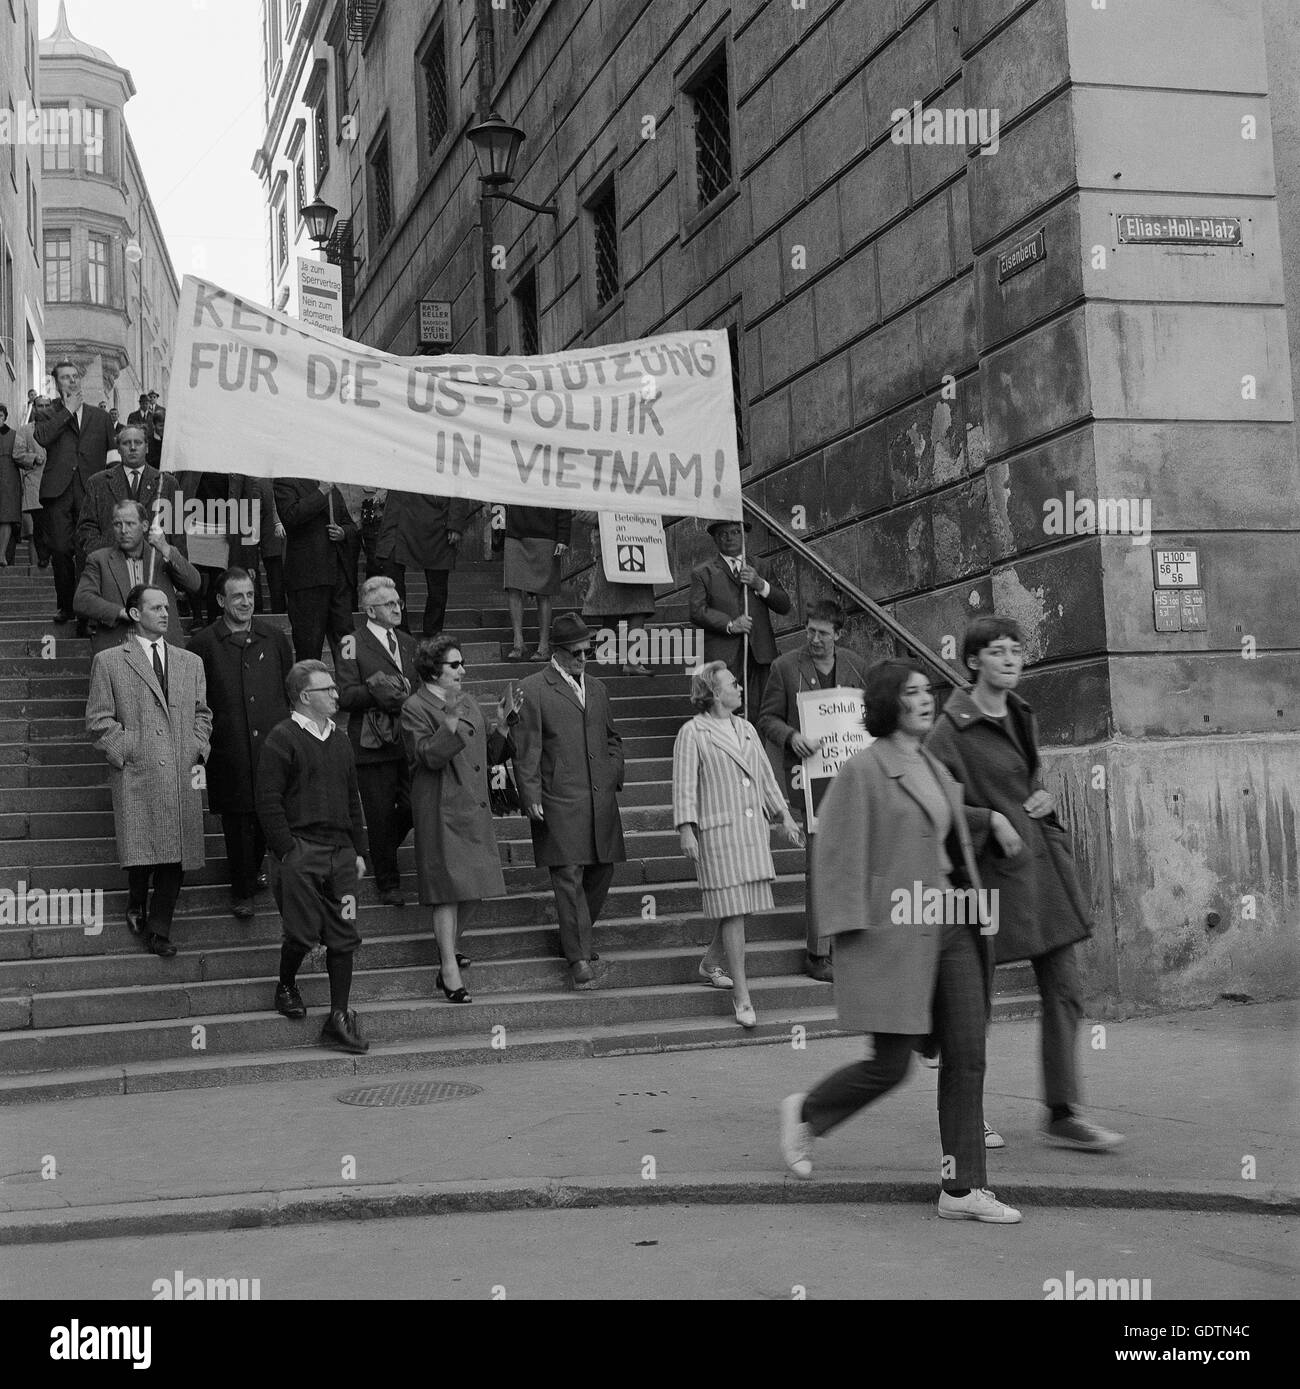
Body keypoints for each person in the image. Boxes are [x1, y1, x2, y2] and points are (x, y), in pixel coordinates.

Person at [778, 658, 1024, 1223]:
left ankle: (961, 1189)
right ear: (889, 702)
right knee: (890, 1067)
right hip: (897, 933)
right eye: (911, 693)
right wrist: (848, 939)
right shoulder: (863, 771)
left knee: (967, 1052)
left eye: (926, 691)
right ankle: (807, 1113)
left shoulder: (931, 766)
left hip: (951, 921)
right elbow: (836, 855)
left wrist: (991, 823)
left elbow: (945, 820)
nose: (924, 700)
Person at [924, 616, 1123, 1153]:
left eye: (1016, 650)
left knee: (1065, 988)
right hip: (984, 880)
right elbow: (931, 804)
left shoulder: (1021, 713)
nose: (1011, 660)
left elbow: (1024, 780)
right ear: (972, 662)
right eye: (997, 651)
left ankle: (1062, 1111)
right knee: (973, 1007)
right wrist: (989, 820)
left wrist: (1042, 799)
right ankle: (969, 1112)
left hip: (1036, 873)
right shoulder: (949, 729)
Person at [85, 583, 212, 958]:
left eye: (167, 607)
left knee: (178, 853)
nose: (164, 613)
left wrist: (197, 746)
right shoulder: (109, 661)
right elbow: (98, 720)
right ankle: (136, 899)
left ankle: (159, 929)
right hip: (138, 770)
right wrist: (128, 749)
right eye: (155, 607)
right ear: (136, 614)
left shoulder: (190, 662)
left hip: (180, 769)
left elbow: (203, 713)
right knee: (143, 847)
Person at [673, 661, 803, 1028]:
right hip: (717, 833)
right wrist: (686, 828)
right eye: (733, 683)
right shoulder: (692, 732)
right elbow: (683, 785)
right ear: (715, 692)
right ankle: (742, 996)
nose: (740, 687)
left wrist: (784, 816)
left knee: (744, 908)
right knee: (732, 909)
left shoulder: (745, 728)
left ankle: (710, 962)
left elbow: (765, 776)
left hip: (750, 832)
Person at [256, 660, 370, 1054]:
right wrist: (288, 850)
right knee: (303, 931)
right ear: (306, 696)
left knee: (344, 934)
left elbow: (353, 796)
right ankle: (286, 983)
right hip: (300, 850)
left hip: (340, 852)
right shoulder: (282, 738)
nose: (337, 695)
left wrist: (359, 850)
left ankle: (339, 1016)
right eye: (329, 690)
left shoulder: (340, 739)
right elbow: (268, 801)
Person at [401, 634, 522, 1002]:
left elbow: (488, 754)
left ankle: (447, 950)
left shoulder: (467, 699)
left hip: (473, 804)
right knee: (447, 895)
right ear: (433, 670)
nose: (462, 670)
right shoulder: (414, 707)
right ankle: (449, 968)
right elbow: (427, 757)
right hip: (439, 807)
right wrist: (449, 724)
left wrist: (502, 725)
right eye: (455, 665)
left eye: (462, 663)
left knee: (477, 888)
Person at [758, 600, 871, 982]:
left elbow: (871, 713)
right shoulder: (785, 667)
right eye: (810, 630)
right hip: (808, 780)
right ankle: (817, 953)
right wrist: (791, 736)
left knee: (853, 861)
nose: (815, 639)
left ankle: (850, 944)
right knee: (819, 864)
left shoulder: (856, 666)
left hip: (850, 777)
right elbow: (767, 719)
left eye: (823, 632)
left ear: (838, 634)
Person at [513, 613, 625, 987]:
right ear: (557, 653)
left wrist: (612, 775)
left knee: (603, 868)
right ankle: (578, 958)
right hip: (557, 796)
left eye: (587, 650)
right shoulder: (533, 687)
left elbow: (612, 738)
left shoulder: (597, 688)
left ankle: (577, 936)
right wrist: (530, 796)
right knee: (567, 874)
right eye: (575, 652)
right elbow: (525, 750)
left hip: (599, 795)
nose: (583, 657)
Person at [188, 568, 294, 919]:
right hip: (227, 747)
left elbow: (288, 685)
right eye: (237, 596)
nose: (246, 602)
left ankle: (252, 870)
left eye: (250, 595)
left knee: (268, 812)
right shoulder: (203, 644)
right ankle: (241, 890)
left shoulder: (275, 637)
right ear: (221, 601)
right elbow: (195, 698)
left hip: (272, 744)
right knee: (236, 819)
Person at [336, 576, 417, 907]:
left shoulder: (409, 642)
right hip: (372, 741)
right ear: (370, 609)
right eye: (389, 604)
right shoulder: (351, 642)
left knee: (413, 806)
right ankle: (388, 882)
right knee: (380, 813)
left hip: (409, 738)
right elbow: (345, 695)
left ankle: (377, 850)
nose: (397, 608)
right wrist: (381, 689)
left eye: (398, 602)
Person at [689, 518, 791, 718]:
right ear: (715, 539)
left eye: (735, 532)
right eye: (723, 534)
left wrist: (760, 584)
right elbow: (697, 610)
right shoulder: (703, 572)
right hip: (724, 658)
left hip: (760, 654)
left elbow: (784, 605)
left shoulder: (761, 567)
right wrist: (729, 625)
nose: (730, 537)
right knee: (726, 711)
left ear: (744, 536)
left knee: (763, 712)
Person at [36, 361, 113, 625]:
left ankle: (85, 609)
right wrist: (67, 411)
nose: (71, 381)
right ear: (57, 384)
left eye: (74, 376)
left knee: (87, 552)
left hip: (91, 492)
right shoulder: (48, 414)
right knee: (59, 549)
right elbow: (43, 438)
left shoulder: (100, 417)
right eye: (65, 377)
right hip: (58, 493)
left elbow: (113, 457)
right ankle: (66, 605)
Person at [75, 499, 201, 657]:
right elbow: (82, 599)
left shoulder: (162, 556)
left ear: (145, 526)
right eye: (117, 524)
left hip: (163, 649)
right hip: (120, 651)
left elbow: (194, 584)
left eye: (130, 523)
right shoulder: (99, 560)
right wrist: (121, 612)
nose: (123, 530)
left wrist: (166, 548)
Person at [274, 476, 358, 662]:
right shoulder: (286, 481)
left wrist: (343, 533)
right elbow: (291, 515)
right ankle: (309, 686)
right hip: (308, 579)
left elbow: (350, 524)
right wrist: (321, 493)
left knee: (347, 638)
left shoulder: (331, 487)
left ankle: (351, 681)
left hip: (338, 578)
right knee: (309, 644)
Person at [76, 423, 181, 561]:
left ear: (147, 447)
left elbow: (178, 534)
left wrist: (178, 568)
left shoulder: (168, 483)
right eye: (126, 443)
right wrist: (105, 556)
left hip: (155, 569)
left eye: (138, 442)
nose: (132, 447)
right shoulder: (97, 483)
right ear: (118, 449)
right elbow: (86, 529)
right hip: (111, 568)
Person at [375, 489, 471, 639]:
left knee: (437, 587)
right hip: (400, 516)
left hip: (437, 520)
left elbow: (459, 485)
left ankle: (433, 631)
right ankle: (400, 630)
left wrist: (455, 524)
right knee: (392, 577)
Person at [574, 509, 655, 676]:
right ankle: (608, 650)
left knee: (640, 600)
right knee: (613, 597)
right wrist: (610, 516)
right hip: (611, 539)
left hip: (642, 537)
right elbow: (582, 513)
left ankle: (629, 658)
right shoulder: (600, 486)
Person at [503, 504, 571, 660]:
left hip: (546, 534)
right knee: (513, 586)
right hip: (515, 533)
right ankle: (518, 642)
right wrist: (498, 529)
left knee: (543, 591)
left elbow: (563, 501)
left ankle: (544, 645)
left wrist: (563, 537)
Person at [0, 405, 18, 566]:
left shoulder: (13, 434)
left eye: (0, 415)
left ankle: (1, 554)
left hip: (8, 479)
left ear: (5, 417)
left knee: (6, 517)